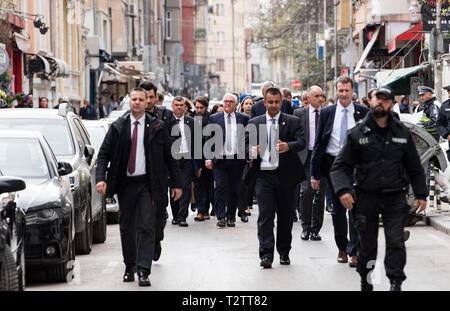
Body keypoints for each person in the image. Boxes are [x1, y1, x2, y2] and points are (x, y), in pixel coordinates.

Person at [330, 86, 427, 291]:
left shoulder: (402, 133)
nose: (380, 103)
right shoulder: (356, 133)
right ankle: (367, 279)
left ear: (391, 104)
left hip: (395, 197)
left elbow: (414, 167)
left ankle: (395, 282)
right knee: (367, 246)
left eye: (385, 100)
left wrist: (421, 194)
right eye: (377, 99)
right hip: (366, 198)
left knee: (395, 242)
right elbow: (339, 167)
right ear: (370, 102)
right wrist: (343, 191)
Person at [95, 88, 182, 287]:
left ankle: (144, 270)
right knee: (127, 227)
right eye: (133, 99)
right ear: (129, 102)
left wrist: (177, 183)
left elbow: (170, 157)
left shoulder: (157, 126)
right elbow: (103, 155)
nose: (137, 102)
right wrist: (101, 178)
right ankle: (129, 267)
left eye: (140, 100)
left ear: (146, 103)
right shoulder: (118, 126)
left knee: (146, 226)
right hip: (125, 185)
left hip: (147, 184)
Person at [310, 76, 369, 267]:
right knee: (337, 211)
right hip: (334, 167)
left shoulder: (363, 113)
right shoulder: (327, 113)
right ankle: (342, 248)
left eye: (346, 90)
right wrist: (315, 174)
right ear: (336, 91)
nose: (343, 94)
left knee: (355, 209)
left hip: (356, 166)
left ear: (353, 91)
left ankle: (354, 251)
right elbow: (318, 144)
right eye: (340, 90)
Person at [246, 87, 306, 268]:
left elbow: (302, 141)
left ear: (282, 102)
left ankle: (284, 252)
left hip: (286, 176)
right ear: (264, 102)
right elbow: (245, 144)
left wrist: (288, 146)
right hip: (264, 176)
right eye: (270, 102)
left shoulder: (293, 121)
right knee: (265, 215)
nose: (273, 105)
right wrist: (252, 150)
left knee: (286, 216)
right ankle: (266, 254)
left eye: (276, 102)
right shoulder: (255, 122)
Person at [138, 81, 174, 262]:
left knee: (159, 214)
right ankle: (144, 249)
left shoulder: (166, 116)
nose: (149, 100)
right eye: (146, 97)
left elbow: (173, 148)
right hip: (139, 177)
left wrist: (175, 179)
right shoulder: (129, 118)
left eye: (152, 97)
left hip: (160, 176)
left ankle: (156, 239)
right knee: (141, 218)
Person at [205, 94, 249, 228]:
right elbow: (208, 138)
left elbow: (248, 139)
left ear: (236, 105)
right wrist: (208, 158)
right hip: (220, 159)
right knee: (220, 187)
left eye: (231, 102)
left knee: (234, 189)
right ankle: (221, 216)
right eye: (225, 102)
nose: (228, 104)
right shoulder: (214, 118)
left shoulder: (244, 118)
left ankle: (231, 217)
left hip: (237, 159)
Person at [294, 86, 328, 241]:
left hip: (322, 158)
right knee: (306, 192)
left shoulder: (328, 113)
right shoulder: (299, 113)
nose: (320, 99)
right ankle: (305, 227)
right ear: (308, 97)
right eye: (316, 96)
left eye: (321, 95)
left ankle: (315, 229)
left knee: (320, 194)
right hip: (306, 157)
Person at [168, 96, 200, 227]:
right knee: (173, 187)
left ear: (185, 107)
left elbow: (198, 143)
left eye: (181, 105)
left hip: (186, 158)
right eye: (176, 105)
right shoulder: (167, 122)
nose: (179, 107)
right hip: (172, 159)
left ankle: (182, 216)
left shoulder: (191, 122)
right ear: (172, 106)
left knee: (186, 187)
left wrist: (198, 165)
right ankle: (175, 215)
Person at [191, 96, 214, 221]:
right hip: (196, 156)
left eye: (201, 108)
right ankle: (200, 211)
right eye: (197, 107)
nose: (198, 110)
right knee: (198, 185)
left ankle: (206, 209)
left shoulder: (211, 120)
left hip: (208, 156)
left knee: (208, 184)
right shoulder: (191, 119)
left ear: (206, 108)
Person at [237, 95, 256, 221]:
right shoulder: (239, 119)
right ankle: (242, 207)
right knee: (242, 181)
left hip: (253, 151)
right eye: (246, 103)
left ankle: (247, 204)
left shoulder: (256, 119)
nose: (249, 106)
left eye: (251, 103)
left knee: (249, 181)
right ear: (242, 105)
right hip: (240, 153)